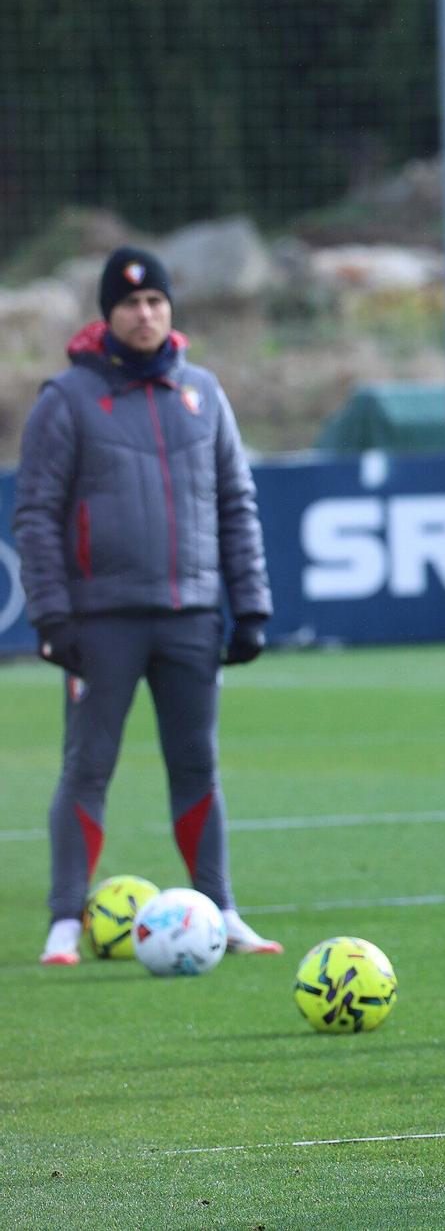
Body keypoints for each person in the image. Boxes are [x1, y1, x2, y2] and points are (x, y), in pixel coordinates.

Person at [15, 246, 281, 966]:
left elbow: (237, 502)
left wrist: (249, 604)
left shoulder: (204, 393)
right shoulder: (66, 399)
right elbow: (36, 514)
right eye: (130, 304)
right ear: (107, 316)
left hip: (191, 614)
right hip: (100, 622)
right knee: (87, 765)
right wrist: (51, 616)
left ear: (171, 310)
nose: (145, 314)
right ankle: (65, 920)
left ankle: (222, 907)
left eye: (156, 302)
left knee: (197, 764)